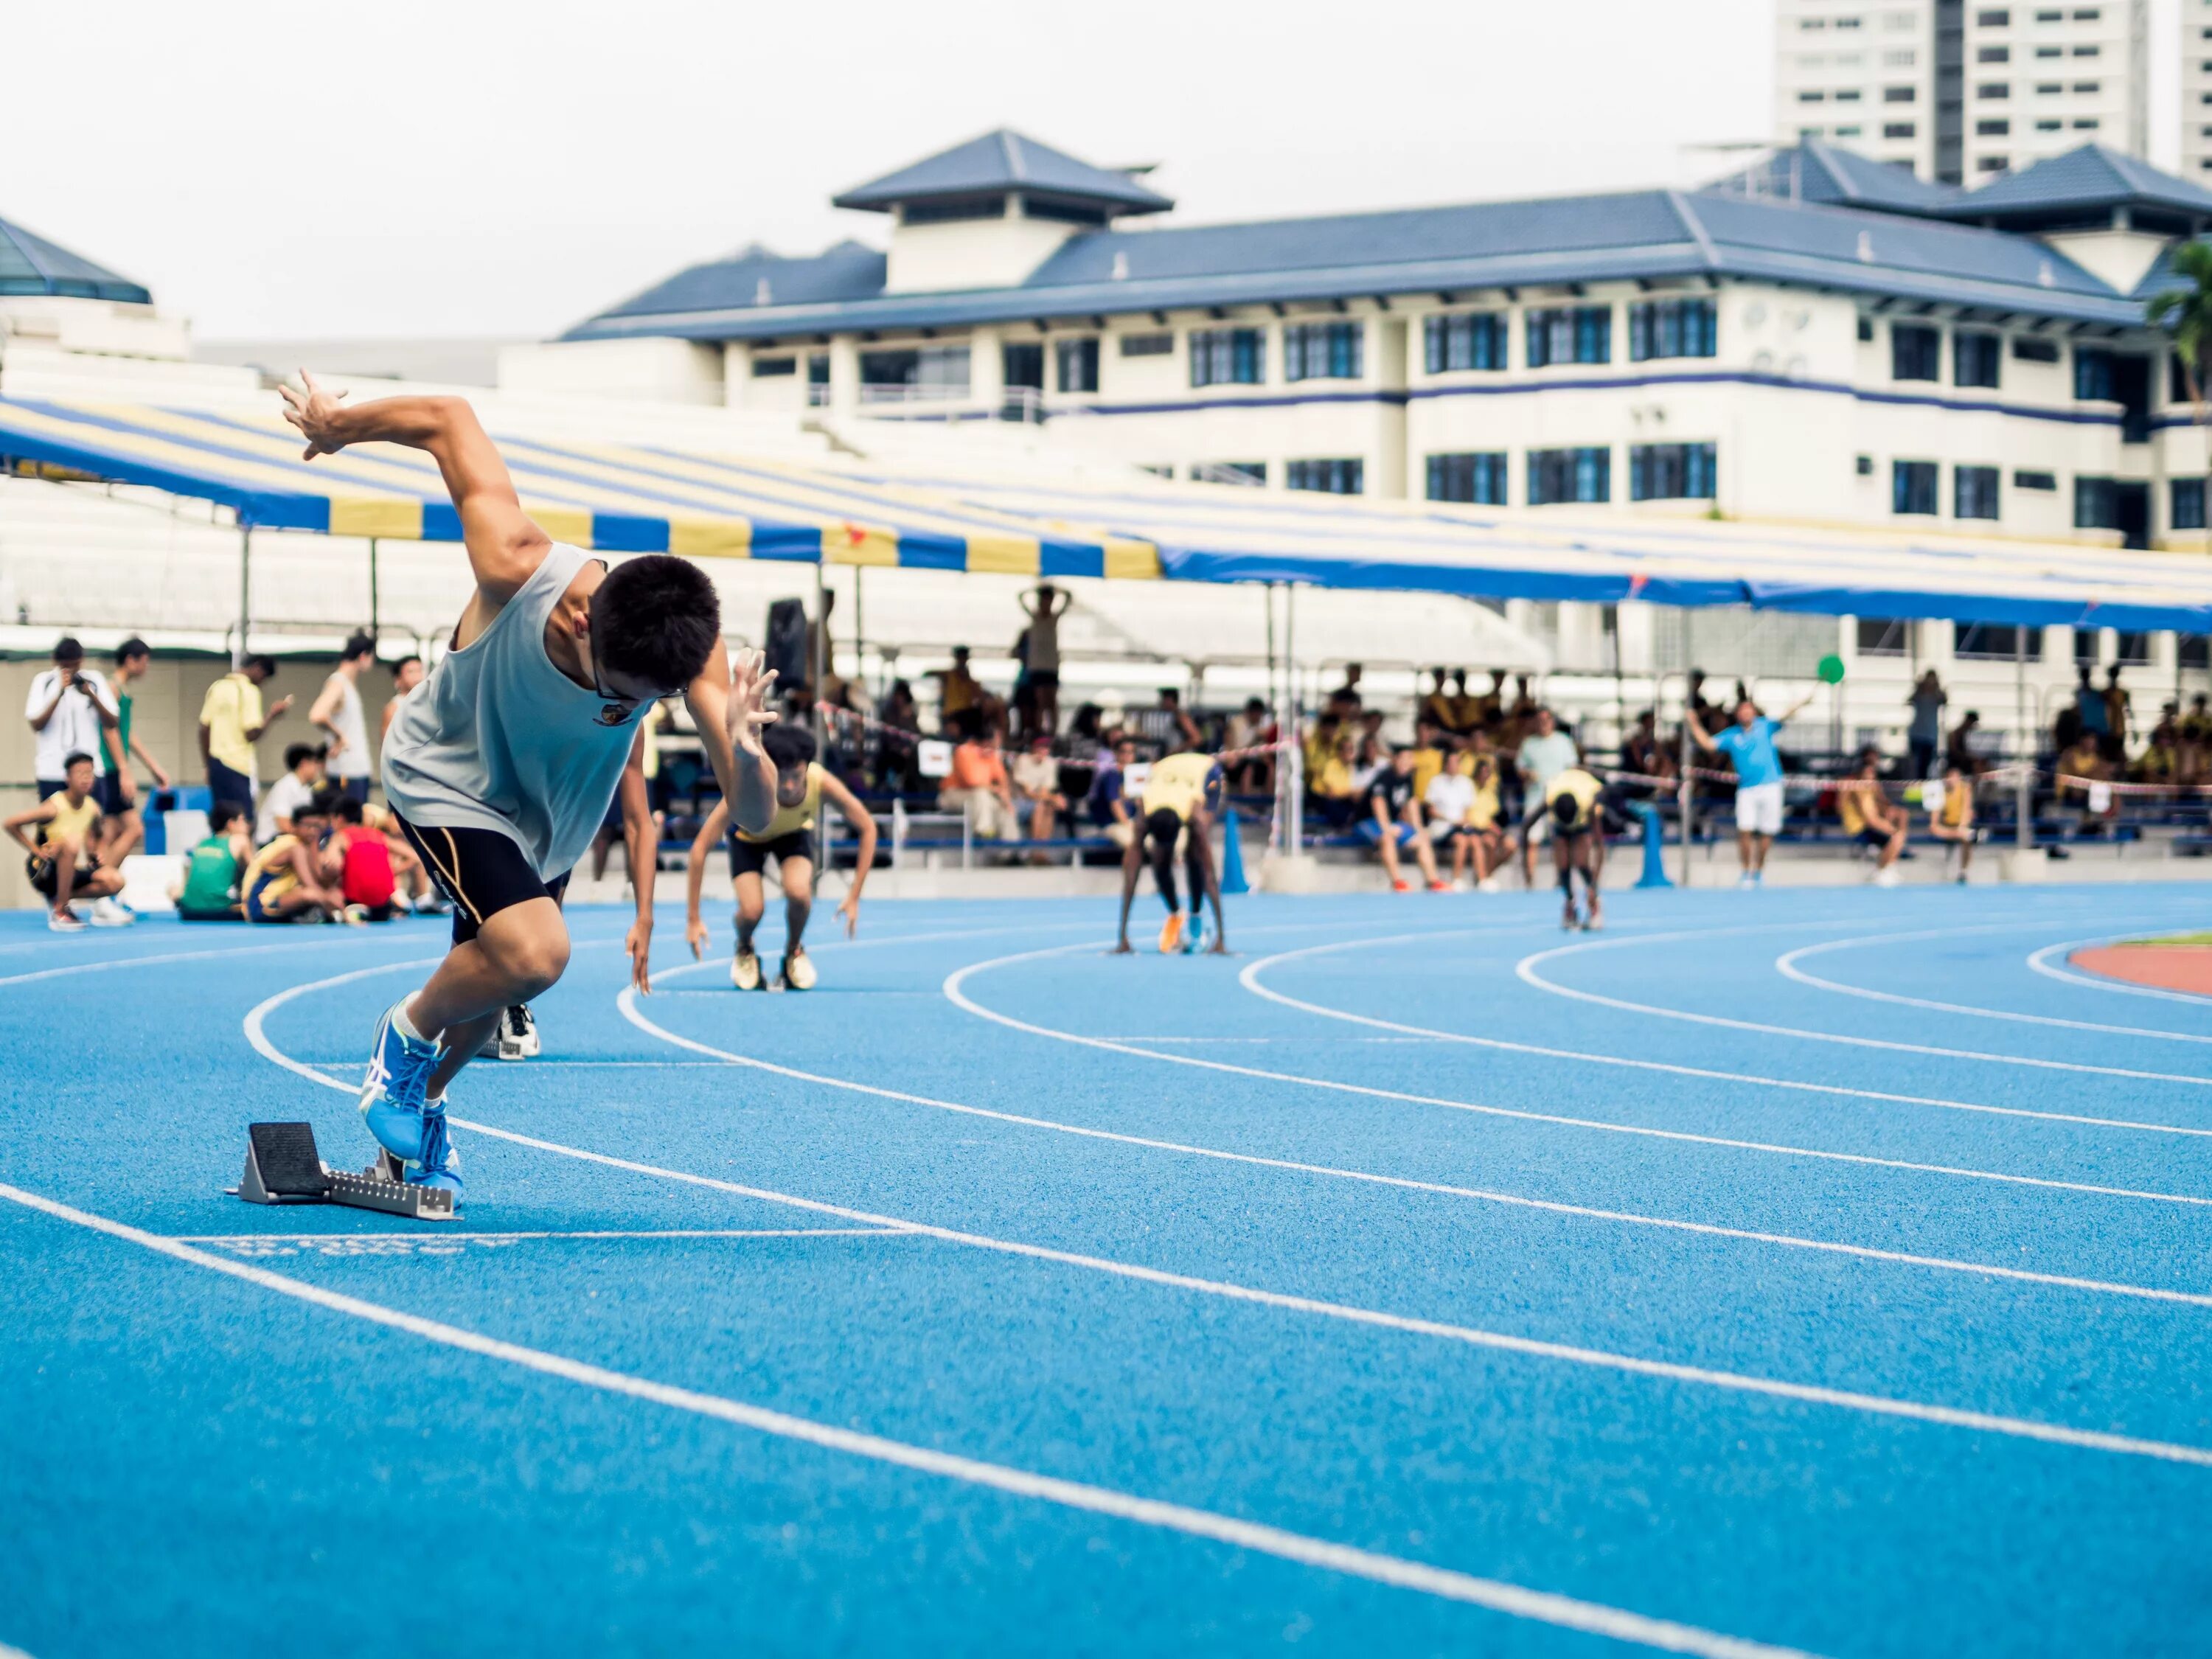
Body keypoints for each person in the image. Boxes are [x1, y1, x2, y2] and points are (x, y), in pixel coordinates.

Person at [282, 372, 778, 1200]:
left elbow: (756, 818)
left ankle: (418, 1113)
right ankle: (400, 1037)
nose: (628, 709)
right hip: (444, 773)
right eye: (619, 692)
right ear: (585, 620)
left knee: (492, 976)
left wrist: (744, 747)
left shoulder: (687, 654)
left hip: (545, 817)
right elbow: (448, 417)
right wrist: (340, 425)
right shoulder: (518, 564)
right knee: (537, 952)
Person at [684, 723, 878, 991]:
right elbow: (700, 848)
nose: (788, 786)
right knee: (752, 912)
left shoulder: (820, 781)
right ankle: (744, 946)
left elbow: (867, 827)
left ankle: (794, 951)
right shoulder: (747, 785)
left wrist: (854, 895)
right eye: (781, 776)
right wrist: (693, 919)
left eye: (796, 776)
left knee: (799, 894)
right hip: (748, 839)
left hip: (793, 835)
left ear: (807, 768)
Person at [1686, 691, 1815, 888]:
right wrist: (1694, 723)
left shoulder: (1766, 726)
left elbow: (1787, 713)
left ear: (1754, 712)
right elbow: (1708, 744)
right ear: (1738, 714)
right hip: (1747, 789)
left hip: (1771, 786)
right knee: (1744, 830)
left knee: (1767, 831)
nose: (1746, 713)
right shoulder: (1732, 735)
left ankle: (1759, 871)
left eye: (1749, 710)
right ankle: (1746, 872)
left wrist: (1803, 702)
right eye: (1742, 710)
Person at [1114, 748, 1228, 956]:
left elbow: (1210, 875)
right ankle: (1176, 913)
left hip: (1206, 771)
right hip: (1165, 768)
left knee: (1196, 853)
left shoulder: (1193, 810)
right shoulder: (1145, 809)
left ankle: (1195, 916)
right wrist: (1122, 937)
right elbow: (1130, 875)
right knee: (1160, 860)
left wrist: (1222, 940)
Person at [6, 752, 131, 932]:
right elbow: (10, 824)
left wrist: (94, 854)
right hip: (43, 870)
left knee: (115, 880)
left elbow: (98, 835)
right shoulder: (54, 807)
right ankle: (60, 910)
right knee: (71, 842)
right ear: (68, 778)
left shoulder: (92, 808)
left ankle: (61, 897)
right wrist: (36, 850)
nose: (85, 778)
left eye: (89, 773)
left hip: (69, 871)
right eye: (80, 773)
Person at [100, 637, 170, 870]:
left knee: (111, 831)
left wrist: (154, 767)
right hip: (109, 769)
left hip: (113, 768)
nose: (146, 668)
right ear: (131, 660)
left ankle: (102, 891)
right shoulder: (112, 688)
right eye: (145, 662)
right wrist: (124, 770)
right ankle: (101, 883)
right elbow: (110, 731)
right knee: (134, 828)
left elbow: (126, 733)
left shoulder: (122, 691)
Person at [200, 655, 291, 813]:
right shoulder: (250, 691)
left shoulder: (217, 687)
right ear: (257, 668)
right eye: (264, 677)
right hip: (237, 765)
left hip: (216, 764)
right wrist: (272, 715)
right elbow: (251, 733)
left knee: (224, 821)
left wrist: (208, 765)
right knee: (244, 820)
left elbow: (204, 729)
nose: (262, 682)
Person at [240, 790, 348, 923]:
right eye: (307, 826)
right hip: (258, 904)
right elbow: (311, 886)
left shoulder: (307, 844)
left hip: (279, 899)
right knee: (309, 894)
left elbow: (318, 876)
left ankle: (310, 914)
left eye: (316, 827)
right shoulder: (293, 847)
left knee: (327, 892)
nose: (312, 831)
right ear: (294, 826)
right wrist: (340, 908)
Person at [1361, 747, 1447, 892]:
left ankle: (1433, 881)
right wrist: (1386, 827)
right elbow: (1378, 803)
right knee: (1387, 838)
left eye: (1410, 759)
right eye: (1404, 759)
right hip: (1368, 821)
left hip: (1392, 822)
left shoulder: (1408, 778)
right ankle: (1397, 882)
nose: (1407, 762)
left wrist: (1418, 828)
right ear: (1395, 760)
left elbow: (1412, 804)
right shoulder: (1385, 777)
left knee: (1422, 839)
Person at [1514, 706, 1581, 886]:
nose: (1543, 724)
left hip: (1558, 799)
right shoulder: (1528, 744)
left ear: (1552, 722)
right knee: (1531, 840)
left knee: (1560, 841)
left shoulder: (1564, 742)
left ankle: (1562, 880)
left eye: (1546, 720)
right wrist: (1528, 774)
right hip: (1535, 798)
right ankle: (1529, 882)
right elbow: (1520, 768)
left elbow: (1572, 768)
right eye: (1540, 721)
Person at [311, 631, 378, 803]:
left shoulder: (347, 684)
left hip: (355, 769)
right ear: (364, 656)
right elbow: (317, 714)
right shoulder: (338, 683)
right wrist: (339, 735)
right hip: (347, 770)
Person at [1544, 765, 1609, 931]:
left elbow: (1600, 846)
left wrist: (1594, 885)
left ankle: (1594, 905)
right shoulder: (1550, 796)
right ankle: (1570, 901)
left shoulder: (1589, 802)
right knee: (1563, 864)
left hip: (1583, 820)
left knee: (1581, 862)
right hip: (1562, 816)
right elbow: (1527, 826)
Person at [940, 713, 1017, 840]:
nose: (991, 747)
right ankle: (982, 832)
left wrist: (1006, 799)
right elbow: (973, 782)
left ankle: (1011, 851)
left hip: (980, 797)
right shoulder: (964, 751)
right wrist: (997, 789)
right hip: (952, 795)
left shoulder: (991, 755)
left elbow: (1002, 780)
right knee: (980, 794)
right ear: (982, 742)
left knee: (1005, 809)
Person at [174, 800, 253, 921]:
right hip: (218, 910)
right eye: (242, 820)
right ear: (231, 824)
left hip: (188, 911)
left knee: (172, 888)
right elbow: (256, 870)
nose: (247, 825)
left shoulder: (202, 842)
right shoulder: (240, 840)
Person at [1836, 751, 1907, 884]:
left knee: (1900, 823)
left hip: (1869, 824)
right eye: (1868, 773)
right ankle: (1881, 870)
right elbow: (1869, 819)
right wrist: (1889, 829)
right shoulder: (1857, 789)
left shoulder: (1871, 787)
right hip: (1859, 828)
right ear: (1861, 774)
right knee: (1897, 838)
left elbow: (1882, 803)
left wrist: (1889, 812)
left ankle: (1888, 867)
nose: (1871, 777)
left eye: (1872, 774)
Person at [328, 793, 403, 920]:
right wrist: (392, 871)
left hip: (354, 900)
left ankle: (342, 912)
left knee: (331, 878)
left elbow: (330, 862)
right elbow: (414, 857)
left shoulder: (340, 836)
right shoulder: (378, 834)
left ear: (339, 818)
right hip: (383, 905)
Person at [1016, 583, 1071, 739]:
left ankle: (1053, 732)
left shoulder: (1054, 618)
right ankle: (1040, 732)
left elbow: (1069, 598)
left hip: (1051, 666)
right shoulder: (1035, 618)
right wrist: (1035, 588)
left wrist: (1056, 589)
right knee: (1040, 701)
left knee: (1051, 701)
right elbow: (1020, 598)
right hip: (1038, 666)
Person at [257, 743, 327, 844]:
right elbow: (284, 825)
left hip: (292, 840)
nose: (317, 768)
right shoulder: (284, 787)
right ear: (304, 764)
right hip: (272, 841)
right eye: (314, 763)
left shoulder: (305, 789)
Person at [1010, 731, 1067, 851]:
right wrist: (1054, 798)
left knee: (1048, 807)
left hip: (1037, 801)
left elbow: (1044, 791)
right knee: (1041, 806)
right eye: (1040, 747)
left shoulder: (1050, 763)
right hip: (1018, 803)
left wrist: (1052, 799)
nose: (1043, 750)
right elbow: (1027, 793)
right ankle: (1036, 850)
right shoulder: (1023, 760)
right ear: (1033, 747)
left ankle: (1041, 850)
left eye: (1046, 747)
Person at [1926, 762, 1977, 883]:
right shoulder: (1939, 790)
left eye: (1955, 777)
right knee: (1936, 829)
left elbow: (1966, 809)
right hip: (1945, 827)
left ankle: (1963, 871)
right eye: (1950, 777)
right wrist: (1958, 832)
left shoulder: (1965, 788)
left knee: (1965, 837)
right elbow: (1934, 821)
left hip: (1960, 826)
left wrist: (1962, 826)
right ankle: (1965, 834)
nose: (1952, 780)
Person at [1088, 734, 1141, 849]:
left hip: (1131, 822)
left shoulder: (1136, 776)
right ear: (1116, 754)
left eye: (1131, 752)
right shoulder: (1111, 776)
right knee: (1132, 841)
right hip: (1111, 825)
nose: (1127, 756)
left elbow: (1141, 804)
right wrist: (1130, 826)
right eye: (1123, 752)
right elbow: (1115, 806)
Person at [1906, 669, 1947, 779]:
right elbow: (1909, 700)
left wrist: (1937, 688)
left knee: (1925, 765)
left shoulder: (1937, 695)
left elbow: (1944, 700)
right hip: (1917, 734)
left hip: (1930, 736)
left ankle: (1922, 783)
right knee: (1914, 764)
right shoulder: (1919, 694)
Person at [380, 654, 424, 752]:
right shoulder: (394, 708)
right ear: (398, 680)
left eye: (419, 671)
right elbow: (387, 747)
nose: (417, 677)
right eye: (411, 672)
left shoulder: (428, 704)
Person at [1945, 709, 1983, 777]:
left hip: (1962, 766)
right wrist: (1969, 758)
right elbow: (1954, 752)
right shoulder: (1954, 734)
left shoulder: (1963, 735)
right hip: (1956, 766)